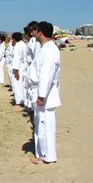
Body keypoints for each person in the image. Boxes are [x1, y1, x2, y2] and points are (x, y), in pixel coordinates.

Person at [29, 21, 61, 165]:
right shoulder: (45, 48)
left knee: (46, 125)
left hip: (45, 95)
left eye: (35, 31)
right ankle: (42, 154)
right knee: (41, 125)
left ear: (40, 32)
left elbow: (46, 75)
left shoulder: (49, 50)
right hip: (40, 92)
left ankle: (47, 156)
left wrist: (42, 95)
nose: (33, 34)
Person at [11, 32, 27, 105]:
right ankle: (24, 100)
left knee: (17, 84)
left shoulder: (17, 46)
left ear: (14, 39)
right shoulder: (23, 44)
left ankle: (20, 101)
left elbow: (16, 59)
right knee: (23, 85)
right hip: (24, 66)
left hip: (19, 67)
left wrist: (16, 71)